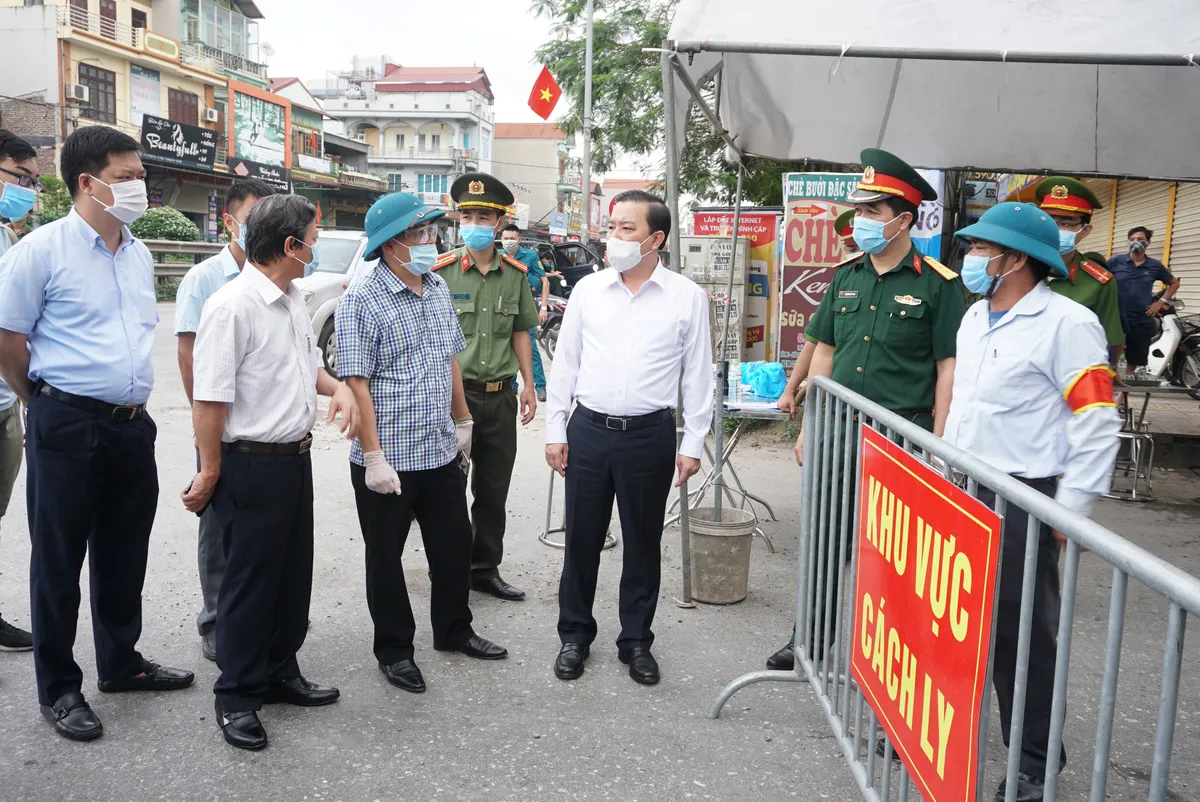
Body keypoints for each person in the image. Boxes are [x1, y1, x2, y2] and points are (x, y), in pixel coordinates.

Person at [0, 126, 194, 742]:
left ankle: (121, 662)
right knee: (58, 560)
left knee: (123, 552)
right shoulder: (41, 250)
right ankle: (59, 688)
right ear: (88, 182)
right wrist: (44, 403)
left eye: (141, 177)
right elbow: (8, 342)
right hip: (67, 422)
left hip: (132, 426)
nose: (139, 187)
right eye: (126, 177)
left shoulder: (137, 252)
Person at [944, 202, 1120, 802]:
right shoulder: (975, 317)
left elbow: (1096, 419)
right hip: (968, 489)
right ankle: (939, 728)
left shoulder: (1067, 324)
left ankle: (1035, 761)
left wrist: (1068, 510)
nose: (970, 258)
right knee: (958, 622)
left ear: (1015, 259)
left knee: (1021, 637)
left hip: (1027, 496)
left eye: (979, 249)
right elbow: (966, 407)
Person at [765, 149, 966, 670]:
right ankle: (807, 639)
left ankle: (885, 660)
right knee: (824, 541)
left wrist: (939, 445)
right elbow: (825, 353)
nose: (861, 222)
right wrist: (811, 425)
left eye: (873, 212)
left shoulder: (938, 285)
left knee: (894, 555)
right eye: (860, 211)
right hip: (837, 429)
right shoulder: (846, 275)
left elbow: (948, 369)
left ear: (904, 219)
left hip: (901, 437)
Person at [182, 194, 360, 751]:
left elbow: (309, 370)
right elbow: (210, 400)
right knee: (248, 586)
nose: (316, 243)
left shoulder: (290, 301)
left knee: (290, 576)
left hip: (293, 461)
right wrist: (210, 470)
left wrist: (341, 391)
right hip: (249, 464)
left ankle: (281, 672)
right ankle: (236, 696)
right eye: (312, 235)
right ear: (290, 245)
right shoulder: (232, 306)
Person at [337, 193, 508, 695]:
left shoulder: (435, 287)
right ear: (389, 245)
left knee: (453, 546)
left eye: (432, 232)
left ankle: (454, 630)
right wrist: (371, 455)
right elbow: (356, 383)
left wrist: (463, 420)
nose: (429, 242)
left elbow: (451, 358)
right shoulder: (361, 301)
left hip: (437, 450)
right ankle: (394, 650)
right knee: (385, 558)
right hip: (387, 457)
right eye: (418, 234)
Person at [546, 189, 713, 686]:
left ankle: (636, 640)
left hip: (650, 436)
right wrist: (557, 428)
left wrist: (692, 442)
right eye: (611, 227)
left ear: (655, 238)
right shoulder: (589, 291)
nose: (613, 237)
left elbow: (697, 375)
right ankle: (574, 635)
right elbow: (566, 365)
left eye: (626, 229)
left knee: (643, 542)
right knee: (581, 539)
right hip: (590, 431)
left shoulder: (686, 296)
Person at [175, 177, 274, 663]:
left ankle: (256, 611)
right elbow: (188, 355)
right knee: (216, 525)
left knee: (257, 523)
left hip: (263, 428)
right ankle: (215, 617)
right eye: (254, 218)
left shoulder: (275, 276)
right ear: (231, 221)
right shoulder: (206, 279)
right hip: (219, 423)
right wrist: (203, 426)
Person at [433, 173, 540, 601]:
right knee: (448, 490)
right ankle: (451, 567)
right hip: (454, 399)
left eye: (483, 216)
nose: (474, 222)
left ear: (498, 224)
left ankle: (484, 568)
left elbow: (520, 332)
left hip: (499, 397)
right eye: (467, 215)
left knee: (493, 491)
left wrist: (530, 384)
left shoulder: (513, 274)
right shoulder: (440, 273)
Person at [0, 128, 40, 652]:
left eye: (33, 181)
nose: (28, 190)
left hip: (5, 402)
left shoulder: (9, 238)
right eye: (21, 177)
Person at [1034, 177, 1125, 365]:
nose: (1055, 229)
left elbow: (1109, 340)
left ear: (1085, 230)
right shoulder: (1012, 268)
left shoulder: (1099, 282)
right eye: (1048, 221)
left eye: (1066, 223)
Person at [1108, 226, 1180, 379]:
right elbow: (1099, 278)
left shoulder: (1155, 266)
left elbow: (1173, 283)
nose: (1136, 242)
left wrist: (1160, 302)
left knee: (1135, 358)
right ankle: (1106, 393)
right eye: (1132, 239)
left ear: (1148, 242)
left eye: (1140, 240)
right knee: (1109, 358)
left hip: (1141, 317)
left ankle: (1122, 399)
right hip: (1116, 316)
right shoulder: (1116, 261)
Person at [500, 223, 549, 402]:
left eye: (512, 238)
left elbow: (544, 280)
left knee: (531, 348)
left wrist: (543, 308)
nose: (509, 242)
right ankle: (512, 386)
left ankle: (540, 386)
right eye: (505, 239)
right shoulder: (498, 256)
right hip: (503, 310)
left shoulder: (529, 256)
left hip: (524, 308)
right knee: (506, 347)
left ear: (518, 239)